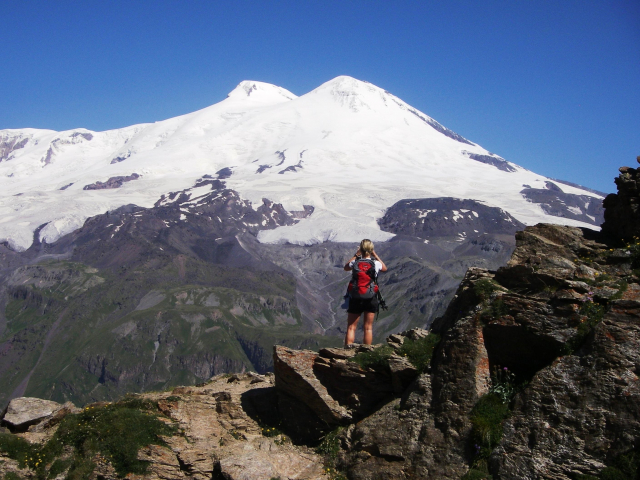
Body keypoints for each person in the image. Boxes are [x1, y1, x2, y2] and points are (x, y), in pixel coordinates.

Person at [343, 239, 387, 347]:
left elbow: (346, 267)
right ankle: (366, 352)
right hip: (371, 296)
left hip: (356, 296)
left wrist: (356, 255)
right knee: (368, 328)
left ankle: (347, 352)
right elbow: (384, 268)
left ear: (361, 249)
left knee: (351, 327)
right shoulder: (376, 263)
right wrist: (375, 255)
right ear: (371, 249)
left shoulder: (355, 262)